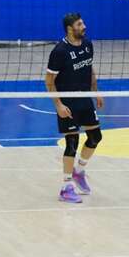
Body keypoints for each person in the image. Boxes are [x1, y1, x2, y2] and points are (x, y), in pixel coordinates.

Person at [45, 12, 104, 204]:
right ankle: (66, 187)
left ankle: (79, 171)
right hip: (68, 102)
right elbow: (49, 81)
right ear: (70, 28)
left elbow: (89, 69)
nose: (84, 26)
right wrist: (59, 105)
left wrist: (96, 92)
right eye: (80, 24)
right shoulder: (59, 51)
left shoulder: (88, 45)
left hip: (84, 98)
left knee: (96, 137)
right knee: (72, 143)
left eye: (83, 23)